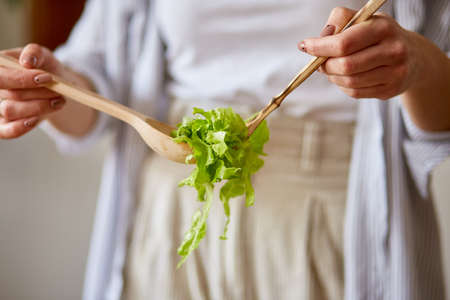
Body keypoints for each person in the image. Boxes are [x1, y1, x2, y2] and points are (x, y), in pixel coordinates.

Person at [0, 0, 449, 299]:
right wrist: (56, 91)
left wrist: (420, 64)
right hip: (165, 217)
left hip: (334, 216)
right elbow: (101, 84)